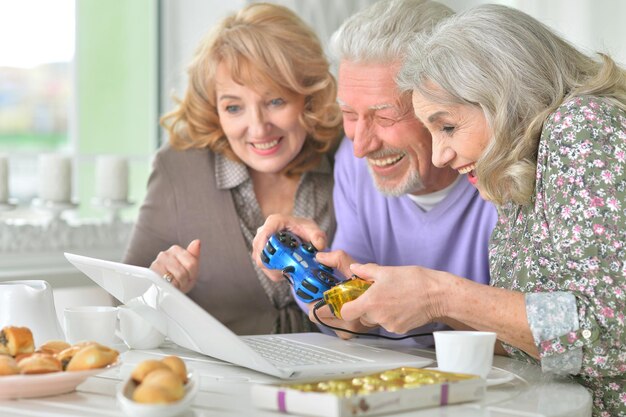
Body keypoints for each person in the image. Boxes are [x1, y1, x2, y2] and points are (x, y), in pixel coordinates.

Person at [339, 4, 623, 415]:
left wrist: (440, 296)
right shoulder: (515, 173)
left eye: (448, 126)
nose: (440, 155)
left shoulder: (582, 125)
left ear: (507, 95)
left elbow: (611, 334)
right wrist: (401, 302)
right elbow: (550, 345)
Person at [252, 0, 498, 344]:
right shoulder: (353, 165)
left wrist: (434, 302)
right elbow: (351, 325)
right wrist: (305, 270)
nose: (361, 147)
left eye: (385, 117)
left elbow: (541, 338)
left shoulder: (502, 176)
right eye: (350, 114)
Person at [123, 3, 343, 335]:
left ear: (308, 96)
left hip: (340, 377)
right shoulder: (179, 169)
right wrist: (162, 285)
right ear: (215, 109)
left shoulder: (348, 155)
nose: (258, 128)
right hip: (220, 382)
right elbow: (123, 305)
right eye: (234, 107)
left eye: (275, 101)